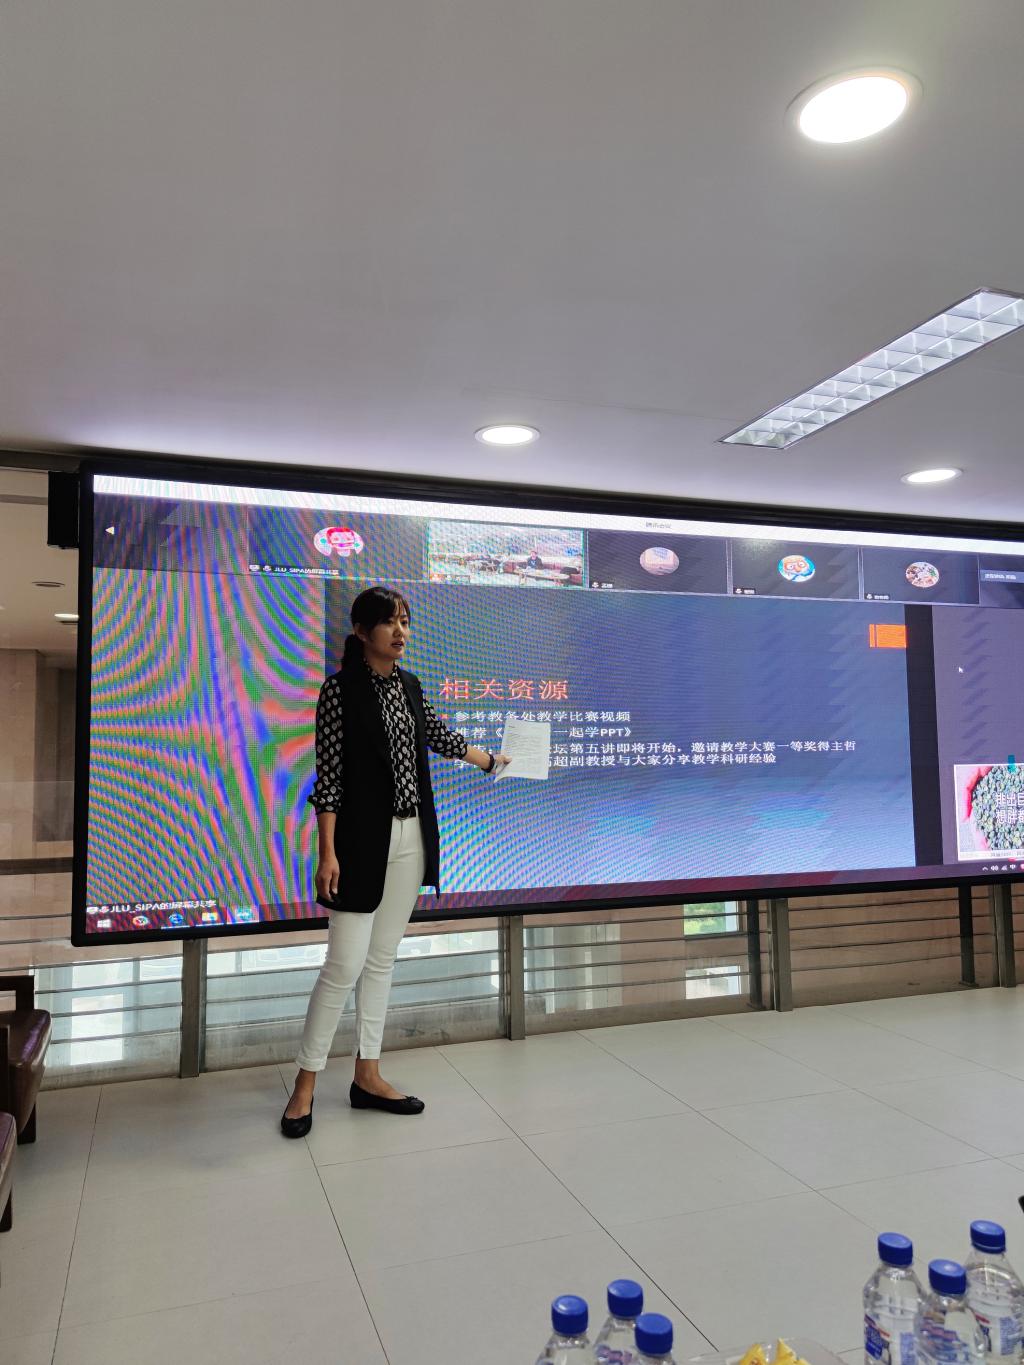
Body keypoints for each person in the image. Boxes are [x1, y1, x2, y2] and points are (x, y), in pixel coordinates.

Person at [281, 586, 509, 1137]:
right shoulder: (338, 690)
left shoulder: (410, 685)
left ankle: (368, 1076)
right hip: (359, 842)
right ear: (362, 632)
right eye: (389, 622)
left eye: (404, 620)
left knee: (381, 961)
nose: (400, 631)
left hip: (411, 836)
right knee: (343, 966)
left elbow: (436, 735)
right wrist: (328, 851)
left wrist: (489, 760)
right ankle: (304, 1086)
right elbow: (329, 776)